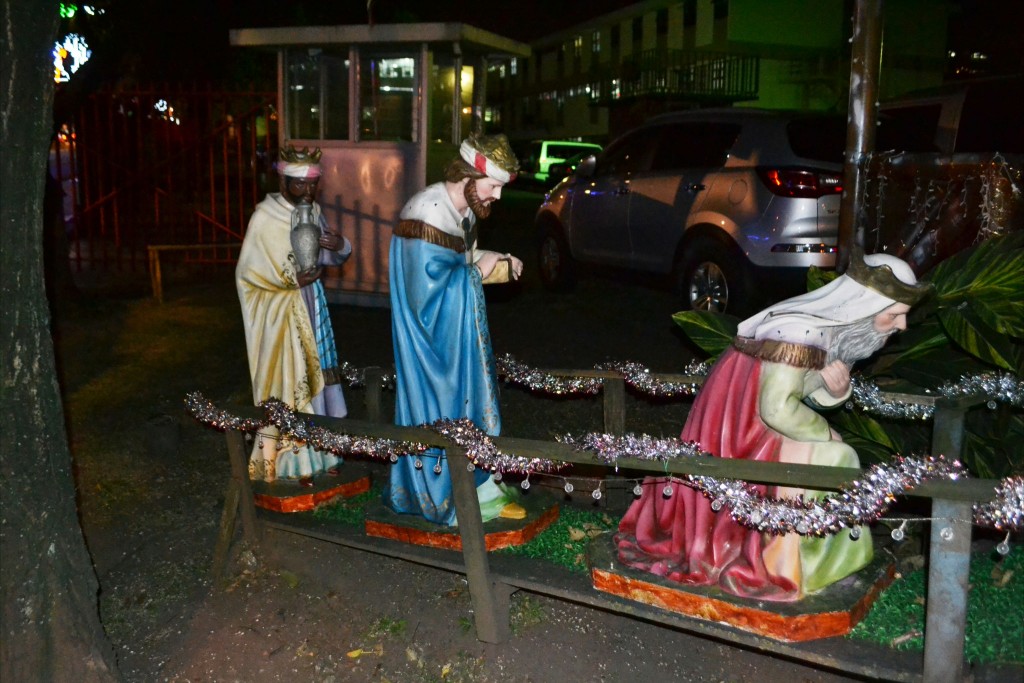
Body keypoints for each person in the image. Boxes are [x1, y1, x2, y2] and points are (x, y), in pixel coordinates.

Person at [615, 250, 932, 601]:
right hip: (743, 434)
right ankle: (788, 567)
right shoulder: (800, 336)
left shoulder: (826, 333)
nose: (901, 327)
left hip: (756, 424)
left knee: (838, 458)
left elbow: (803, 389)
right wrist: (825, 434)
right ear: (863, 308)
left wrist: (836, 391)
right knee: (836, 459)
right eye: (894, 316)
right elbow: (777, 409)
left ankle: (821, 565)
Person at [386, 133, 526, 526]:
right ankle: (442, 494)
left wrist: (495, 259)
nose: (496, 196)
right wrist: (475, 274)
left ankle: (476, 484)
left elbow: (458, 260)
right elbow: (424, 297)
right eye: (494, 186)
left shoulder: (461, 213)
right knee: (443, 411)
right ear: (468, 175)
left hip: (455, 339)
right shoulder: (425, 213)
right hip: (431, 346)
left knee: (469, 408)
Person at [236, 146, 353, 486]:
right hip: (281, 314)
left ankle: (322, 453)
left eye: (312, 185)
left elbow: (326, 258)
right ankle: (290, 462)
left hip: (311, 307)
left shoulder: (313, 211)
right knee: (291, 380)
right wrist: (288, 282)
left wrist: (339, 246)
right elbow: (247, 274)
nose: (307, 192)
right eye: (299, 185)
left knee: (317, 375)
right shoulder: (264, 217)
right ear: (283, 180)